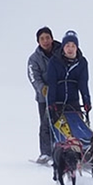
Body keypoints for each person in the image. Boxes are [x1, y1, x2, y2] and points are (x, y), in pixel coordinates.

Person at [45, 30, 93, 146]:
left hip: (73, 101)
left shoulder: (82, 63)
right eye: (67, 46)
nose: (70, 49)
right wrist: (51, 102)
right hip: (58, 101)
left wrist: (87, 101)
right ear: (63, 47)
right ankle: (53, 151)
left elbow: (83, 84)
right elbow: (52, 83)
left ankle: (85, 148)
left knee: (77, 125)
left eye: (73, 46)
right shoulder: (54, 62)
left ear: (77, 47)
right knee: (57, 128)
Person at [27, 26, 61, 164]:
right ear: (38, 41)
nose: (45, 41)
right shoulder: (34, 59)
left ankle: (63, 151)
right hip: (44, 98)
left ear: (52, 38)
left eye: (47, 38)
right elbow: (33, 77)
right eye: (42, 39)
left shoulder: (61, 52)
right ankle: (46, 153)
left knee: (63, 124)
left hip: (61, 96)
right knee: (46, 125)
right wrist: (42, 89)